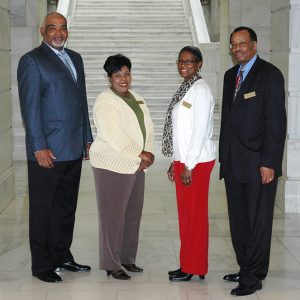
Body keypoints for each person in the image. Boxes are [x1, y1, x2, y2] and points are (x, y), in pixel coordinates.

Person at [17, 12, 93, 283]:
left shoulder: (76, 58)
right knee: (42, 208)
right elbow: (30, 107)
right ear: (42, 31)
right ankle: (41, 265)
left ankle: (62, 254)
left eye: (62, 28)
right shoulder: (32, 61)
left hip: (72, 147)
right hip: (47, 150)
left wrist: (87, 137)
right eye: (52, 28)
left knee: (65, 207)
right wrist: (38, 146)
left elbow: (81, 101)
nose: (58, 33)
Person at [219, 26, 287, 296]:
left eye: (243, 44)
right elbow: (227, 120)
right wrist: (224, 159)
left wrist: (270, 162)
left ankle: (253, 277)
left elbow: (276, 123)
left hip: (260, 164)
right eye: (234, 45)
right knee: (238, 222)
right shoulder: (229, 76)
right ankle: (246, 266)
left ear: (255, 45)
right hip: (234, 163)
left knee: (258, 223)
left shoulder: (270, 75)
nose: (238, 49)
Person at [89, 54, 154, 280]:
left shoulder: (136, 97)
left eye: (127, 73)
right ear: (109, 78)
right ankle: (111, 263)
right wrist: (139, 153)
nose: (123, 79)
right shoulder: (105, 101)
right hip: (112, 164)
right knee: (112, 216)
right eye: (118, 75)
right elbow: (113, 135)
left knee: (132, 214)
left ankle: (127, 259)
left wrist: (149, 153)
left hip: (136, 165)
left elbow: (149, 126)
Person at [162, 46, 216, 282]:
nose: (184, 65)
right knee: (186, 216)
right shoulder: (187, 88)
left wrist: (189, 165)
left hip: (197, 163)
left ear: (199, 64)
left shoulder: (201, 91)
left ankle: (194, 266)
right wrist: (176, 161)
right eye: (180, 61)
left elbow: (199, 132)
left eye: (189, 62)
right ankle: (188, 263)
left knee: (194, 216)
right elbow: (180, 131)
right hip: (184, 160)